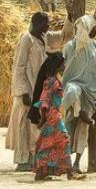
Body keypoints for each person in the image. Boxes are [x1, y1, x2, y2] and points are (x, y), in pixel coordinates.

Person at [61, 14, 96, 173]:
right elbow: (61, 67)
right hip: (73, 88)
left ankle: (76, 164)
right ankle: (78, 111)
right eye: (93, 28)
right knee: (73, 91)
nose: (95, 30)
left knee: (83, 129)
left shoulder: (95, 46)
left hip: (90, 93)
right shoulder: (69, 47)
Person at [7, 13, 49, 171]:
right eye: (47, 24)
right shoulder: (26, 40)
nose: (48, 27)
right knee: (23, 125)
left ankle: (31, 158)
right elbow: (19, 67)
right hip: (26, 91)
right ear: (39, 24)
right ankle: (22, 160)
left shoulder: (40, 40)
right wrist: (23, 91)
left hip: (36, 89)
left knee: (32, 126)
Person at [28, 53, 77, 181]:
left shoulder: (53, 80)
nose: (65, 65)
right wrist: (44, 118)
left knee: (48, 143)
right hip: (53, 115)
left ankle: (42, 171)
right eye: (63, 63)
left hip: (53, 114)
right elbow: (45, 100)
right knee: (64, 140)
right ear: (57, 65)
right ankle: (70, 172)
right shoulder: (51, 81)